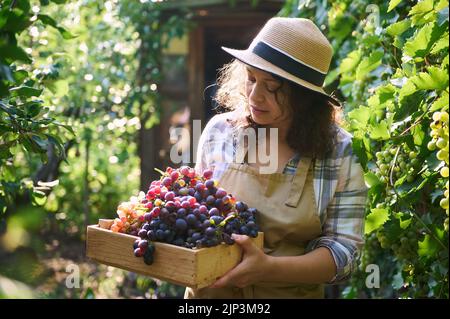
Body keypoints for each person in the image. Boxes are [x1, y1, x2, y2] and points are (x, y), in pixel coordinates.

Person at [185, 17, 368, 299]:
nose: (255, 96)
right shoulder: (220, 132)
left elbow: (344, 254)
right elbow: (193, 219)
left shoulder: (338, 151)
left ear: (304, 97)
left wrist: (268, 269)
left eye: (272, 87)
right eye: (251, 79)